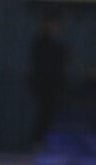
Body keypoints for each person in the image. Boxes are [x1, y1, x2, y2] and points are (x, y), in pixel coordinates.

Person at [29, 13, 69, 145]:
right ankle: (39, 143)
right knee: (44, 114)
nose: (57, 28)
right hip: (44, 87)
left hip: (53, 87)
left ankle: (44, 142)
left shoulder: (54, 45)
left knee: (49, 115)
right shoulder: (41, 44)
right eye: (54, 25)